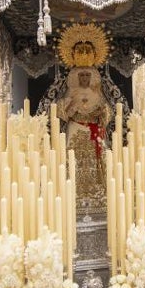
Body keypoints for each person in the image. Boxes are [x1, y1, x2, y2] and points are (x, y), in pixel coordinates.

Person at [57, 58, 111, 209]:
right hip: (76, 128)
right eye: (82, 76)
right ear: (76, 77)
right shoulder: (71, 92)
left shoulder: (97, 93)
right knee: (73, 158)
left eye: (87, 75)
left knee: (97, 158)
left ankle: (97, 191)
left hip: (93, 129)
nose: (85, 78)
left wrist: (102, 112)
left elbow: (107, 112)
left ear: (92, 77)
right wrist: (71, 107)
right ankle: (72, 190)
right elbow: (61, 113)